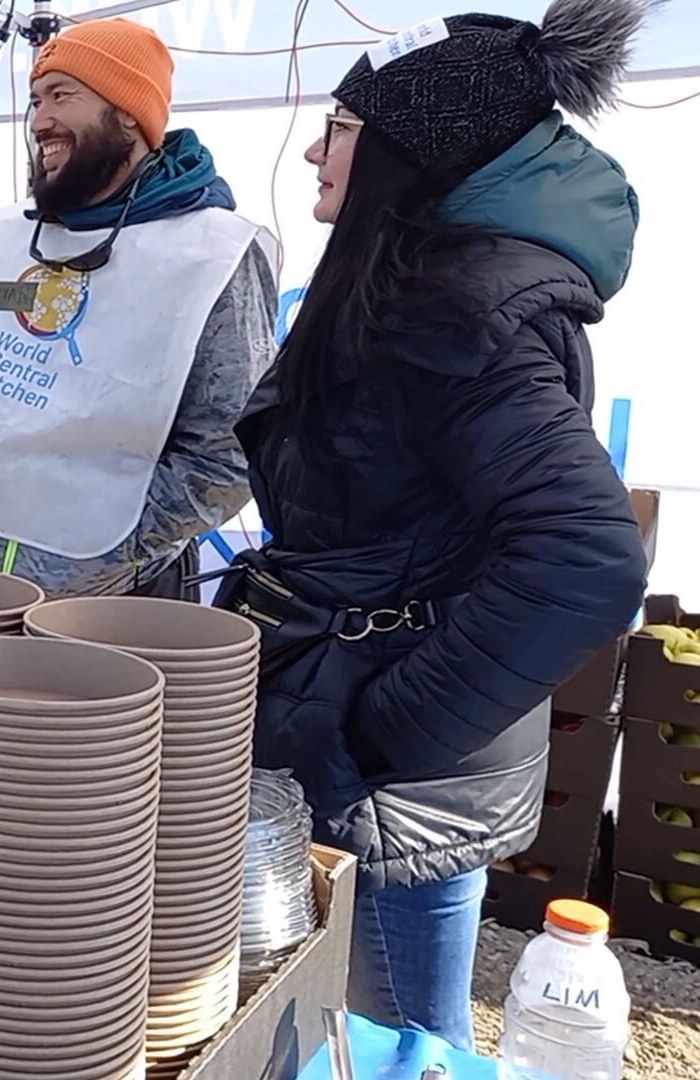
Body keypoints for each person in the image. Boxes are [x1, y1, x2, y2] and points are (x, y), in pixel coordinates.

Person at [218, 0, 655, 1049]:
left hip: (392, 776)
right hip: (380, 747)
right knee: (366, 1032)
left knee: (397, 1037)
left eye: (344, 129)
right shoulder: (420, 277)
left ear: (412, 151)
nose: (315, 151)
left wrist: (374, 734)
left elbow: (587, 558)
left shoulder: (458, 309)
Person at [0, 19, 277, 600]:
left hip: (112, 601)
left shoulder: (211, 252)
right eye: (36, 99)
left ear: (129, 113)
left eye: (64, 95)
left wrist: (121, 552)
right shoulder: (5, 234)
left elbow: (230, 449)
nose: (40, 121)